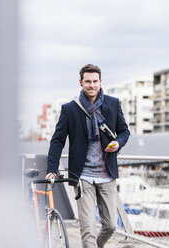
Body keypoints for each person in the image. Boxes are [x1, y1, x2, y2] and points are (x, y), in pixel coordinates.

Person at [45, 64, 130, 248]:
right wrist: (52, 169)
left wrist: (118, 143)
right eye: (88, 82)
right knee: (88, 228)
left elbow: (124, 131)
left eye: (95, 81)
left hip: (107, 174)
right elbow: (57, 141)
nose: (92, 85)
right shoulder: (69, 109)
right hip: (82, 176)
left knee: (111, 226)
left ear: (100, 82)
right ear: (81, 83)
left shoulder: (113, 104)